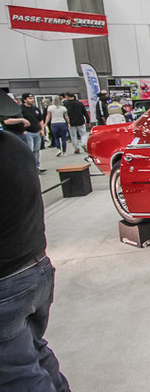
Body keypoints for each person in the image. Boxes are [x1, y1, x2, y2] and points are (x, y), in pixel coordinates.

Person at [0, 92, 71, 391]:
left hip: (9, 280)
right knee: (34, 350)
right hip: (37, 267)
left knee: (18, 373)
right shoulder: (15, 145)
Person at [21, 93, 46, 174]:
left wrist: (42, 130)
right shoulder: (21, 109)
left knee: (36, 150)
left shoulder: (35, 108)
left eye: (32, 98)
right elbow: (19, 120)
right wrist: (23, 130)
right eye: (30, 98)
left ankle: (37, 167)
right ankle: (30, 168)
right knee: (30, 150)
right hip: (28, 132)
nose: (32, 100)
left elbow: (41, 120)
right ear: (25, 100)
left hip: (37, 132)